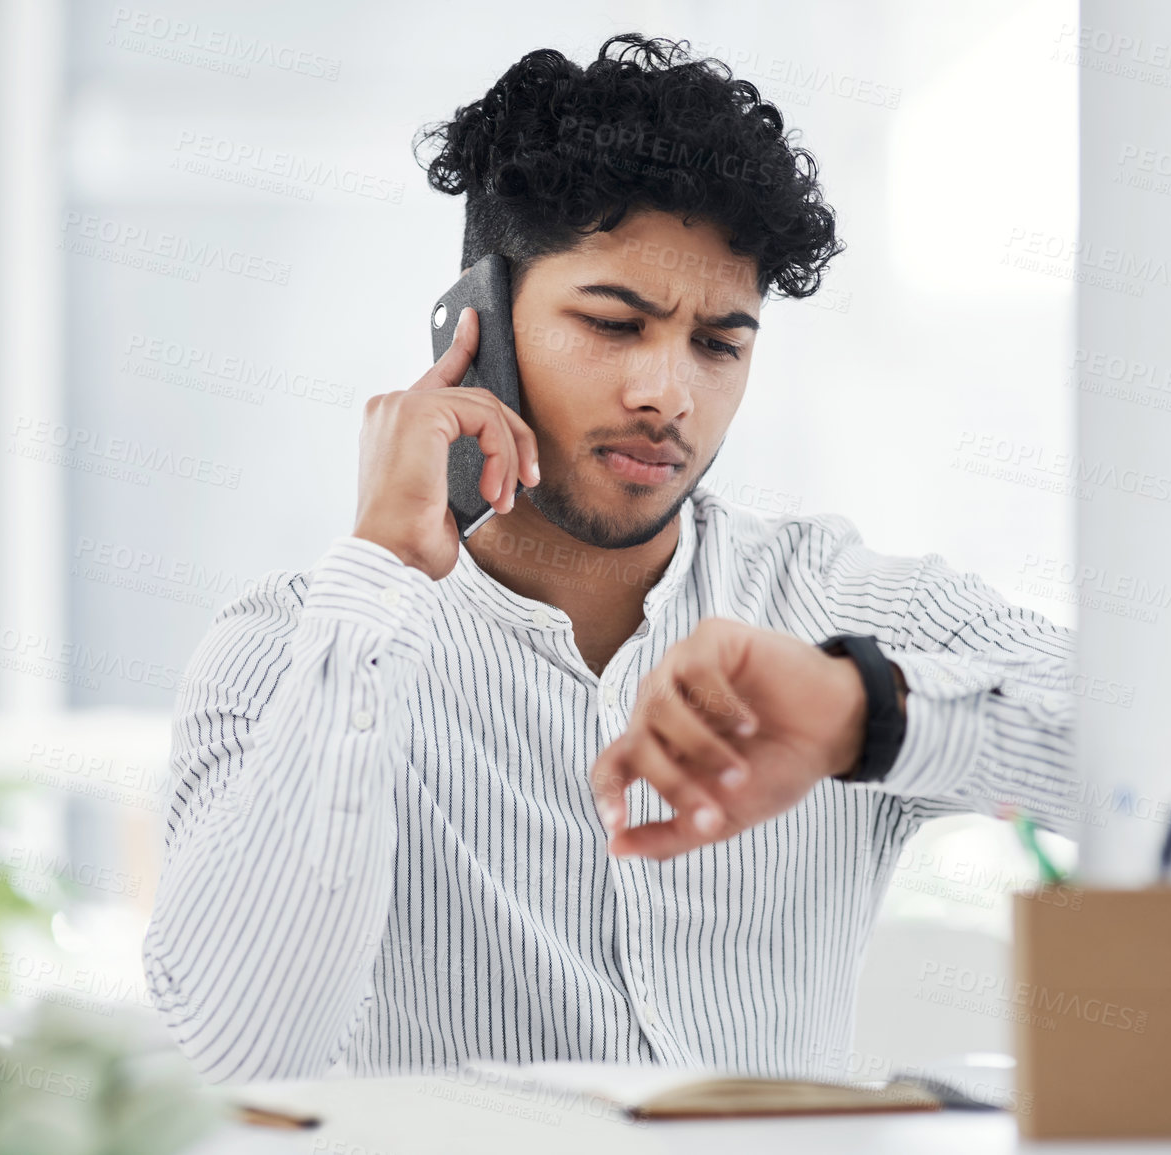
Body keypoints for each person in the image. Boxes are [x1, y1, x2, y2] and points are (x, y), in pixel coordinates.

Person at [143, 33, 1078, 1084]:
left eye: (719, 344)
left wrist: (869, 713)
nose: (668, 393)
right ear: (479, 323)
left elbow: (1165, 755)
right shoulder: (282, 654)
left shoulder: (825, 606)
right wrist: (381, 573)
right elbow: (230, 1053)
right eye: (613, 322)